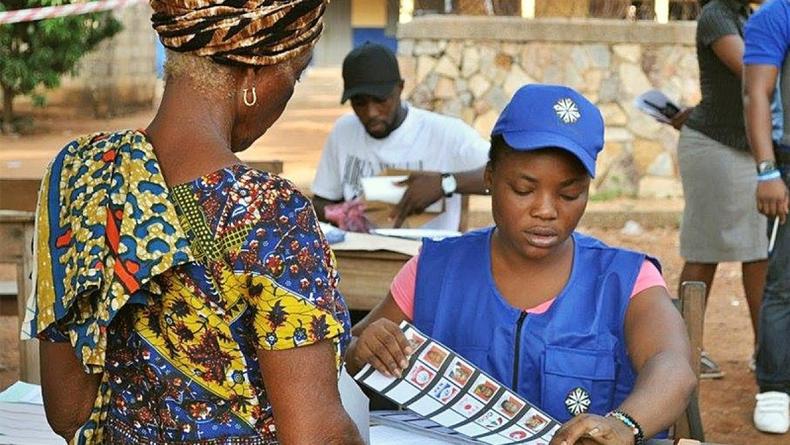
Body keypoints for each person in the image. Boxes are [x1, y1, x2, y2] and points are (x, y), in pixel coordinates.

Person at [20, 1, 364, 444]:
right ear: (255, 74)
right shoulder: (269, 213)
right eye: (293, 76)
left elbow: (67, 413)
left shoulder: (79, 175)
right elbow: (317, 434)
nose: (288, 93)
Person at [346, 84, 697, 444]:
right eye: (524, 189)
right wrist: (362, 349)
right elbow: (352, 348)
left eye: (569, 194)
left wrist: (623, 424)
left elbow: (671, 365)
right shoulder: (436, 270)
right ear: (490, 177)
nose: (546, 210)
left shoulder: (625, 279)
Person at [672, 0, 769, 379]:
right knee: (705, 249)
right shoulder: (717, 15)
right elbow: (752, 73)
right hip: (714, 148)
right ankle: (682, 347)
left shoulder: (748, 15)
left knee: (759, 251)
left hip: (747, 148)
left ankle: (768, 353)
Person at [311, 42, 489, 231]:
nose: (371, 112)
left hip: (426, 256)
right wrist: (341, 213)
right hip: (361, 255)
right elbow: (322, 201)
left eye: (380, 100)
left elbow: (504, 174)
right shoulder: (343, 132)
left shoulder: (445, 134)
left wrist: (445, 183)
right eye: (359, 102)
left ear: (400, 88)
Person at [743, 0, 790, 434]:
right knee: (784, 282)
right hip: (788, 164)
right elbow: (756, 91)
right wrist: (768, 170)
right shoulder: (776, 15)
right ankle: (775, 387)